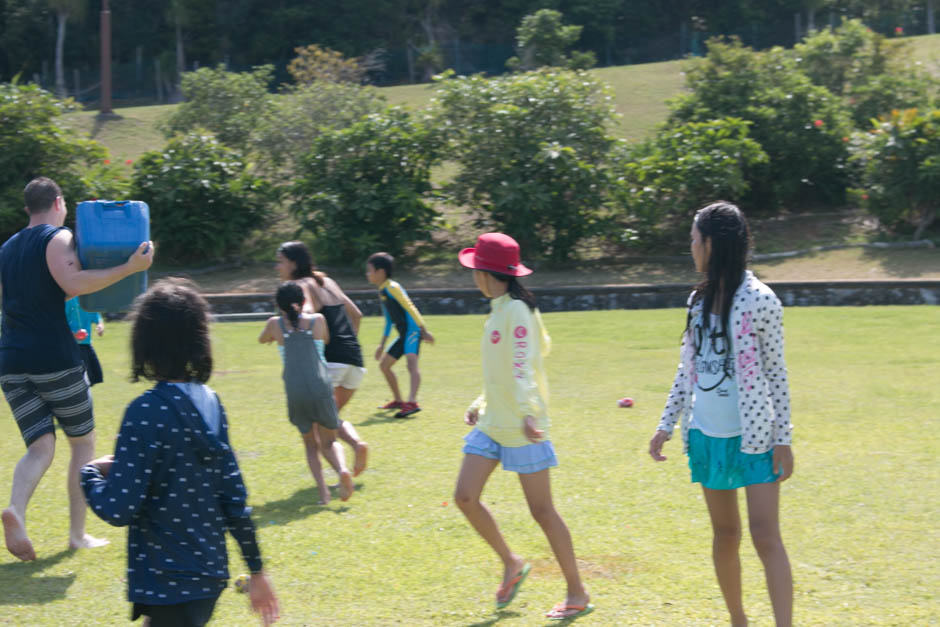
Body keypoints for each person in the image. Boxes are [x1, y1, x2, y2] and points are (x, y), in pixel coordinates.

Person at [81, 279, 279, 627]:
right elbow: (233, 497)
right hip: (207, 575)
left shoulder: (144, 411)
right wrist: (257, 570)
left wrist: (91, 475)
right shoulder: (212, 403)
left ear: (145, 343)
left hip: (167, 580)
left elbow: (118, 507)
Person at [648, 201, 794, 627]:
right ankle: (738, 620)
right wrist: (666, 423)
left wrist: (783, 436)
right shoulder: (697, 300)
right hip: (708, 436)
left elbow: (777, 371)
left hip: (756, 439)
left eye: (694, 239)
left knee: (766, 536)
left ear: (711, 243)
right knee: (725, 535)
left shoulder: (761, 301)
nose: (691, 247)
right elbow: (686, 368)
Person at [0, 177, 153, 561]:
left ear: (27, 208)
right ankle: (77, 535)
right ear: (57, 202)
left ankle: (15, 510)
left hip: (11, 360)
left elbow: (39, 292)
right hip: (53, 355)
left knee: (40, 446)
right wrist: (129, 267)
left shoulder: (7, 248)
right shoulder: (57, 237)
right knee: (82, 443)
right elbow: (75, 282)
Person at [453, 233, 592, 620]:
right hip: (493, 421)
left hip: (520, 425)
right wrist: (479, 403)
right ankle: (512, 562)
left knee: (543, 511)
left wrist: (531, 412)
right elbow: (500, 370)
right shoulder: (499, 308)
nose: (472, 277)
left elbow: (523, 363)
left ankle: (577, 592)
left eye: (474, 270)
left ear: (486, 272)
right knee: (465, 496)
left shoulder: (516, 310)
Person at [275, 241, 368, 476]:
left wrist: (284, 329)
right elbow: (356, 314)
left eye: (280, 262)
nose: (277, 267)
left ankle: (348, 461)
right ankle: (356, 448)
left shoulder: (299, 285)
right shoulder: (328, 281)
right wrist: (347, 347)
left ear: (293, 263)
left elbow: (304, 315)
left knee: (321, 425)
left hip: (330, 362)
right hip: (354, 359)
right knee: (330, 417)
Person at [258, 282, 355, 504]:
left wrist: (274, 334)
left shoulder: (275, 324)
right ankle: (341, 471)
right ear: (303, 302)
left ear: (278, 305)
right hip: (321, 387)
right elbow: (326, 340)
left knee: (311, 444)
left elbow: (262, 339)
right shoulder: (317, 321)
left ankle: (323, 493)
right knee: (329, 441)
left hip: (295, 390)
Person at [365, 252, 434, 418]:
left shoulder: (392, 287)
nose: (367, 274)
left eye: (370, 270)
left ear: (380, 272)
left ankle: (412, 402)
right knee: (384, 366)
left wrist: (423, 329)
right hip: (403, 333)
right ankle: (398, 400)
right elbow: (389, 320)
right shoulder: (383, 291)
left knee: (411, 365)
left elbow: (410, 307)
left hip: (412, 331)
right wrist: (382, 344)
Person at [65, 296, 105, 386]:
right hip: (72, 346)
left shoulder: (87, 301)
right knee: (80, 379)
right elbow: (61, 322)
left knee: (93, 376)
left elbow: (97, 316)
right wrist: (73, 334)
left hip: (86, 345)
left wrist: (100, 326)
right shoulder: (69, 300)